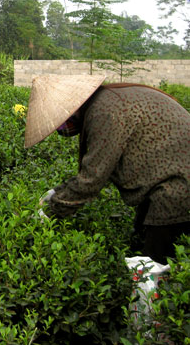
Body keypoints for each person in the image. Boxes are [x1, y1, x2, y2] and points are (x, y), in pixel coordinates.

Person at [26, 74, 190, 264]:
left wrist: (50, 212)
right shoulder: (107, 100)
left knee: (154, 267)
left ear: (73, 108)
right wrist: (58, 192)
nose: (62, 128)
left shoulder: (104, 111)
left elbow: (93, 178)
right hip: (165, 184)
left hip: (176, 188)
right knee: (140, 245)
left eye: (61, 121)